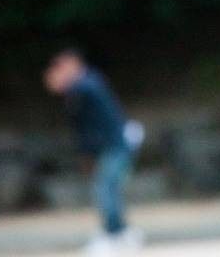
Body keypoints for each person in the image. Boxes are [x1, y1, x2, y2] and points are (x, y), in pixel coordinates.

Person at [43, 48, 144, 255]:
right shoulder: (82, 88)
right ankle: (121, 232)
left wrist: (63, 85)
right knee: (108, 188)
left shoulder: (87, 84)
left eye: (61, 68)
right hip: (110, 146)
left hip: (116, 145)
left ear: (74, 65)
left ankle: (113, 234)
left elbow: (82, 97)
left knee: (105, 188)